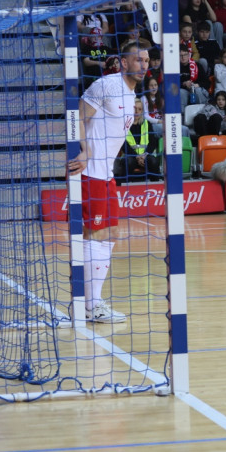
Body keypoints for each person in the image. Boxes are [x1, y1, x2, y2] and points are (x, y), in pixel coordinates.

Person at [66, 42, 149, 324]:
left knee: (110, 234)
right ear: (123, 63)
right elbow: (77, 116)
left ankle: (88, 300)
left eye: (147, 60)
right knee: (96, 235)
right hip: (91, 173)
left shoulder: (132, 93)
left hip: (106, 174)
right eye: (138, 59)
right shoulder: (107, 85)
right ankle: (90, 305)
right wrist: (85, 150)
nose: (144, 64)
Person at [113, 98, 160, 182]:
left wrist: (143, 155)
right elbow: (124, 145)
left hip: (145, 155)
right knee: (128, 162)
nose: (137, 112)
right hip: (130, 155)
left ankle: (156, 187)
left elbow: (152, 143)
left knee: (154, 161)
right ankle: (124, 188)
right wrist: (137, 156)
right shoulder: (123, 125)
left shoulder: (147, 123)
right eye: (134, 109)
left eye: (139, 109)